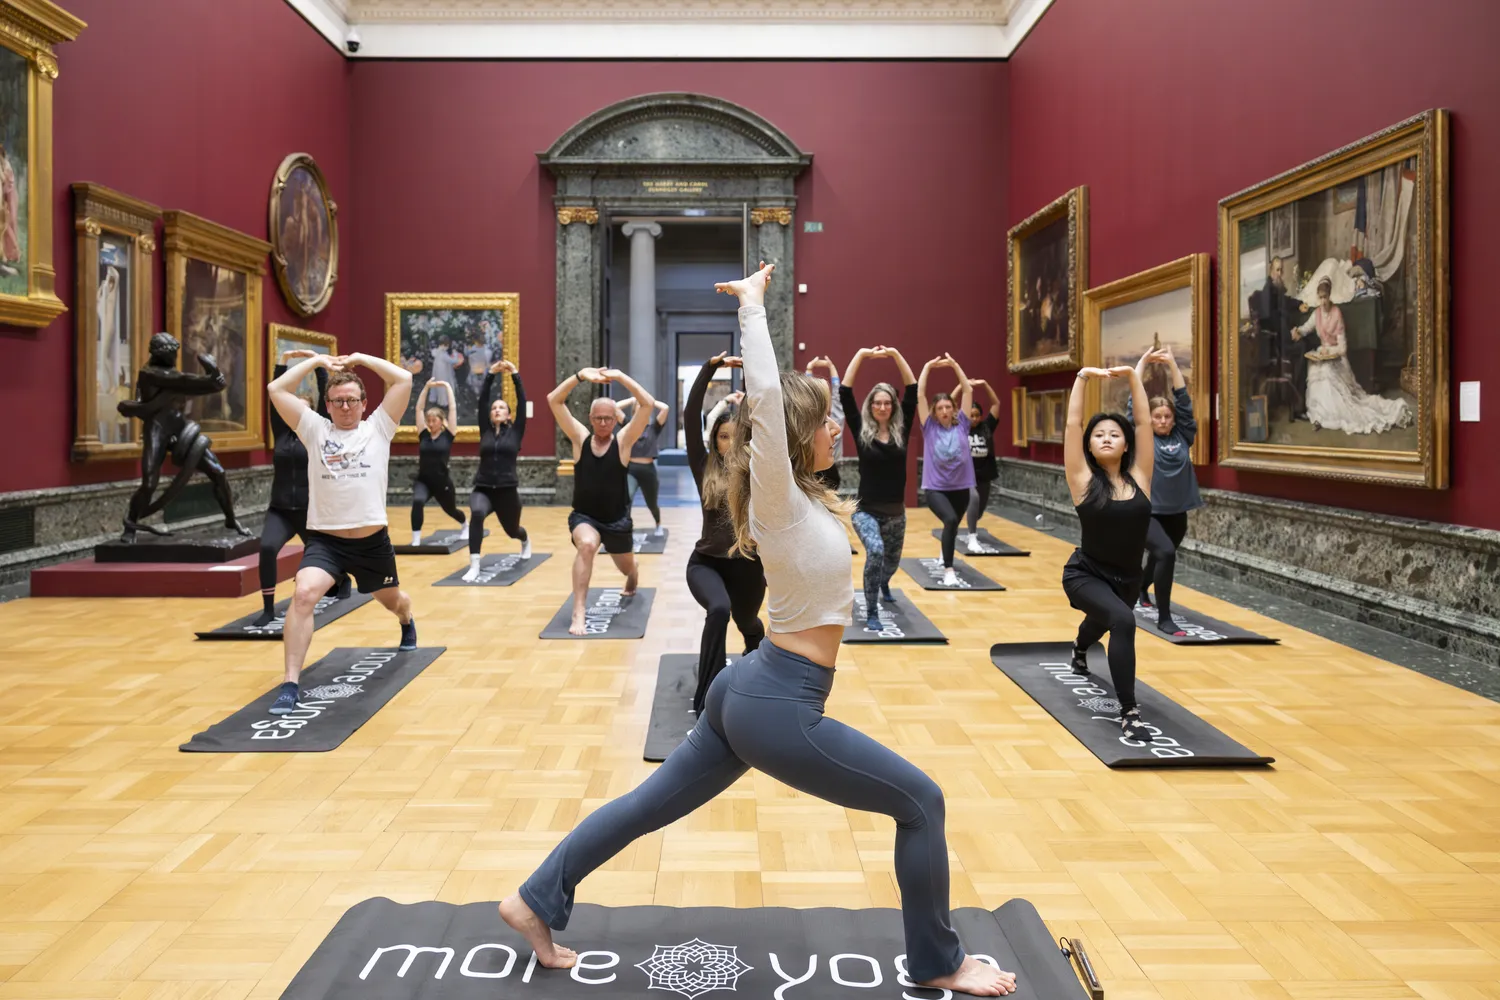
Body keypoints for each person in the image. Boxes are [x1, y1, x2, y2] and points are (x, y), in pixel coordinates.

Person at [499, 263, 1016, 998]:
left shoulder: (804, 497)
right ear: (797, 436)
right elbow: (769, 402)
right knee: (921, 802)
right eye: (828, 422)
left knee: (645, 807)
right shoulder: (777, 497)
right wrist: (753, 309)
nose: (839, 427)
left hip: (752, 687)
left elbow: (787, 409)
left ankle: (533, 898)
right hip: (779, 703)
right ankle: (938, 962)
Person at [267, 352, 418, 715]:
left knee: (392, 600)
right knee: (303, 595)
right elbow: (276, 388)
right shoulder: (314, 429)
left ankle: (407, 619)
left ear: (365, 404)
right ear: (328, 405)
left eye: (352, 400)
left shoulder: (379, 426)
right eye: (338, 401)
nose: (346, 407)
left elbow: (404, 381)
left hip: (371, 544)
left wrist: (363, 359)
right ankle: (290, 683)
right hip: (326, 542)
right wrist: (319, 362)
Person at [1063, 352, 1161, 739]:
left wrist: (1134, 378)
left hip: (1127, 580)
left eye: (1114, 434)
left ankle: (1078, 647)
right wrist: (1083, 378)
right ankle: (1129, 711)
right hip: (1085, 573)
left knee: (1104, 621)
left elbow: (1142, 421)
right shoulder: (1082, 481)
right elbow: (1072, 423)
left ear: (1125, 446)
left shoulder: (1141, 477)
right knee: (1123, 620)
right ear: (1089, 444)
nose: (1106, 437)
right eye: (1098, 434)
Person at [684, 353, 766, 715]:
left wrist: (749, 369)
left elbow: (760, 408)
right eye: (722, 436)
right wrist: (710, 368)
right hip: (706, 563)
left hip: (747, 564)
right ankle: (706, 697)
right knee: (718, 610)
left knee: (748, 622)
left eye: (735, 436)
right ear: (715, 440)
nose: (728, 442)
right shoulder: (703, 467)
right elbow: (689, 416)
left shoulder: (756, 469)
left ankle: (757, 666)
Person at [548, 366, 656, 636]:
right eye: (599, 418)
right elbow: (554, 400)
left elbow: (647, 404)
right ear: (591, 418)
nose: (605, 423)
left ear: (614, 419)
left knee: (627, 567)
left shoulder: (623, 442)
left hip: (617, 520)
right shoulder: (579, 439)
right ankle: (579, 611)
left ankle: (633, 573)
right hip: (585, 516)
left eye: (609, 418)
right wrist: (580, 376)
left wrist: (620, 377)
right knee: (586, 545)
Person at [254, 349, 348, 627]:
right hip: (281, 509)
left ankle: (341, 580)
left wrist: (319, 366)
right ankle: (268, 608)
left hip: (311, 511)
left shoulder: (317, 433)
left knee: (328, 557)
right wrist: (282, 360)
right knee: (267, 548)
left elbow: (323, 399)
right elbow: (275, 397)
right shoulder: (281, 433)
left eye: (305, 409)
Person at [840, 345, 918, 631]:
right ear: (870, 406)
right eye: (877, 403)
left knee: (890, 564)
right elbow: (845, 393)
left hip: (897, 514)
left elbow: (912, 387)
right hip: (866, 512)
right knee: (874, 551)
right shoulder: (862, 432)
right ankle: (872, 611)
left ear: (893, 406)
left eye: (887, 402)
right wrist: (859, 355)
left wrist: (897, 354)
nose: (882, 407)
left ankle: (884, 582)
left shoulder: (902, 431)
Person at [1132, 347, 1202, 636]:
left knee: (1162, 555)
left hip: (1177, 512)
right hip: (1148, 512)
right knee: (1167, 553)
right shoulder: (1143, 436)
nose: (1162, 421)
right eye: (1157, 417)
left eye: (1166, 417)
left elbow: (1184, 402)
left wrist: (1173, 363)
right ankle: (1164, 617)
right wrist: (1142, 364)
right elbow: (1134, 405)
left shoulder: (1183, 435)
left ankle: (1140, 587)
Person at [1295, 276, 1413, 434]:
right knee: (1316, 374)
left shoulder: (1337, 314)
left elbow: (1342, 348)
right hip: (1322, 356)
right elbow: (1306, 328)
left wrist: (1328, 352)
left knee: (1329, 375)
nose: (1323, 301)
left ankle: (1334, 414)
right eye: (1320, 298)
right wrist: (1297, 331)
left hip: (1336, 358)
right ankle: (1321, 415)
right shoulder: (1316, 314)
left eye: (1325, 297)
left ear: (1330, 296)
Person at [463, 358, 530, 581]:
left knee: (513, 530)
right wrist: (490, 374)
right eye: (494, 408)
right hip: (483, 488)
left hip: (507, 490)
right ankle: (474, 565)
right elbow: (482, 401)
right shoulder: (485, 431)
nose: (497, 410)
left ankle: (524, 539)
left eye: (501, 407)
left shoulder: (516, 431)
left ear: (509, 415)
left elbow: (522, 402)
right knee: (478, 513)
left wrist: (515, 374)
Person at [918, 353, 976, 586]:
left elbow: (968, 391)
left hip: (961, 487)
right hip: (935, 489)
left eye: (948, 407)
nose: (944, 410)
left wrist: (955, 364)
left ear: (953, 409)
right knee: (950, 520)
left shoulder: (962, 424)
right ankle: (949, 570)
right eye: (940, 407)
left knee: (952, 526)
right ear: (934, 411)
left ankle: (946, 550)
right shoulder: (929, 427)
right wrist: (927, 367)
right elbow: (920, 394)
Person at [408, 379, 467, 547]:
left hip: (442, 482)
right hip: (424, 481)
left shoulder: (448, 435)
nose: (431, 423)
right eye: (429, 420)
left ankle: (464, 525)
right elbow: (419, 408)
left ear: (441, 421)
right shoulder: (424, 435)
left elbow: (453, 408)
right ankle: (416, 539)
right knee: (418, 501)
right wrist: (426, 387)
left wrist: (448, 387)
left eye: (434, 420)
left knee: (451, 510)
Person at [617, 394, 670, 537]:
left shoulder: (653, 428)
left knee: (652, 503)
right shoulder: (628, 426)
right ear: (634, 412)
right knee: (626, 498)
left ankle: (658, 524)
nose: (641, 409)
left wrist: (649, 401)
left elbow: (665, 408)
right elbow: (614, 408)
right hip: (631, 470)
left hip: (648, 471)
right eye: (638, 408)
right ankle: (626, 527)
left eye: (643, 407)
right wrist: (632, 399)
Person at [964, 378, 1002, 551]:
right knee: (974, 498)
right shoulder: (960, 427)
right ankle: (972, 536)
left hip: (984, 474)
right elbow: (950, 400)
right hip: (966, 474)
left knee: (979, 510)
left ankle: (971, 524)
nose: (974, 419)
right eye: (971, 415)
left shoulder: (986, 427)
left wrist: (985, 384)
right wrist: (963, 387)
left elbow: (995, 403)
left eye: (977, 415)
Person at [805, 356, 845, 493]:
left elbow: (837, 398)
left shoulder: (835, 421)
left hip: (831, 478)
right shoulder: (809, 421)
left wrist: (832, 368)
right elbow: (806, 397)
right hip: (809, 474)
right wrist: (809, 369)